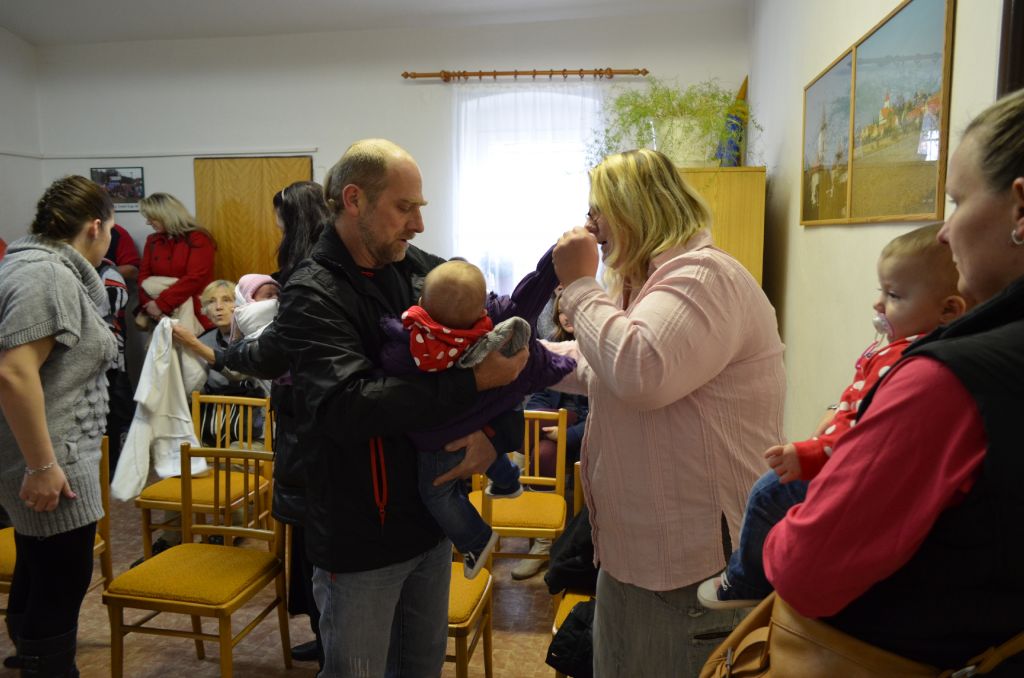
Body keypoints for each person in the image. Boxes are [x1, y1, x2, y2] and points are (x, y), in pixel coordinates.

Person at [760, 89, 1024, 675]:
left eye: (957, 202)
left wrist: (778, 540)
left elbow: (803, 567)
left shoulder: (949, 383)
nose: (945, 233)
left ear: (1020, 210)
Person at [269, 139, 527, 677]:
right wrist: (473, 382)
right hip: (359, 542)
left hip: (428, 529)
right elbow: (346, 407)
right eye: (404, 208)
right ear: (354, 199)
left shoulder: (417, 270)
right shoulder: (311, 293)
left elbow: (491, 338)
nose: (418, 225)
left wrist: (493, 438)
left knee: (421, 668)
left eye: (419, 208)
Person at [547, 148, 786, 676]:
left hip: (691, 566)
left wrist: (580, 286)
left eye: (598, 209)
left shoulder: (704, 276)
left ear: (634, 208)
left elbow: (638, 369)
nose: (590, 224)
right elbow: (599, 364)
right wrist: (525, 362)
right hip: (634, 557)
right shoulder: (649, 284)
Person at [697, 222, 966, 610]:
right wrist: (835, 410)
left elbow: (867, 433)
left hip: (837, 459)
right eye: (880, 291)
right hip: (834, 447)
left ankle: (745, 581)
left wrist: (811, 453)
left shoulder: (910, 364)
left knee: (768, 494)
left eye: (893, 295)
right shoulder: (898, 348)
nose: (878, 305)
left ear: (948, 310)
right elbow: (857, 398)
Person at [174, 181, 331, 666]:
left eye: (281, 224)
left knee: (319, 540)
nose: (277, 232)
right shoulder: (304, 274)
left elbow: (271, 354)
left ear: (295, 223)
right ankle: (327, 637)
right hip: (302, 421)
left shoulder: (310, 278)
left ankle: (336, 647)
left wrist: (221, 351)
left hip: (312, 424)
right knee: (309, 541)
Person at [378, 255, 573, 579]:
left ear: (422, 303)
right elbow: (530, 293)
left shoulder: (417, 343)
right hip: (479, 421)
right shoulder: (489, 331)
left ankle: (476, 539)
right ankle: (508, 481)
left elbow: (391, 361)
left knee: (437, 491)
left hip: (440, 435)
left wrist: (388, 327)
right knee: (485, 446)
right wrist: (556, 258)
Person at [0, 175, 118, 675]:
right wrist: (42, 465)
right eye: (110, 230)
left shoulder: (37, 268)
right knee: (59, 581)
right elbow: (14, 372)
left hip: (50, 455)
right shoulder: (46, 276)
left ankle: (30, 657)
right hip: (53, 460)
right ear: (94, 227)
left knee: (38, 570)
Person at [512, 291, 590, 581]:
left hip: (582, 433)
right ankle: (540, 534)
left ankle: (541, 541)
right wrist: (540, 420)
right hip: (552, 427)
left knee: (541, 449)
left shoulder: (598, 349)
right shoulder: (553, 347)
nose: (566, 317)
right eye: (562, 312)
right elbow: (539, 397)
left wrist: (566, 434)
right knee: (535, 439)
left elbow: (599, 415)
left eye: (573, 310)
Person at [136, 192, 216, 333]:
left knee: (191, 345)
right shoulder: (153, 240)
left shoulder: (198, 238)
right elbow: (143, 278)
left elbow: (195, 278)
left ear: (166, 215)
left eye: (151, 218)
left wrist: (161, 304)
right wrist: (149, 305)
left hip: (196, 312)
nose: (148, 222)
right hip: (160, 313)